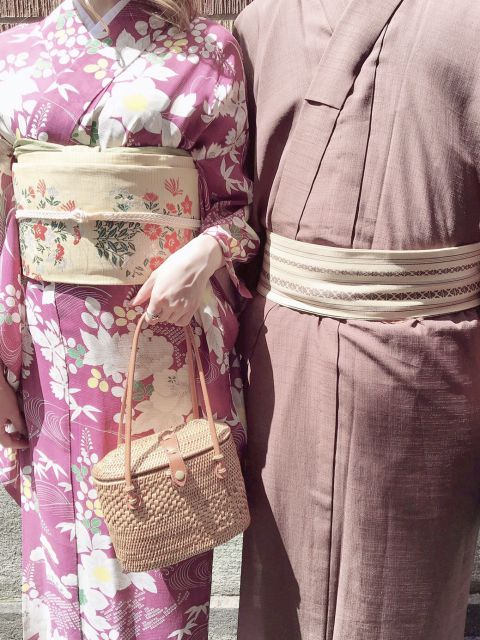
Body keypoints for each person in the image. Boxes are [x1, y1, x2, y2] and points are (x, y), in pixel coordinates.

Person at [0, 1, 258, 638]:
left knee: (161, 521)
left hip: (161, 343)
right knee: (61, 533)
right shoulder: (14, 54)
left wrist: (205, 252)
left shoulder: (208, 50)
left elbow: (237, 208)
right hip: (47, 356)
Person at [234, 0, 480, 639]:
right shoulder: (261, 23)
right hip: (283, 358)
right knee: (280, 583)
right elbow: (228, 200)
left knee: (404, 594)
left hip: (429, 360)